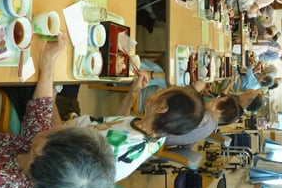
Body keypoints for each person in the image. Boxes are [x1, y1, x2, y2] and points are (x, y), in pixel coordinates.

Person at [0, 34, 116, 188]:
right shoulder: (45, 170)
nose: (57, 125)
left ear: (41, 149)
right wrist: (48, 60)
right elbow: (40, 112)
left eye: (59, 130)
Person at [65, 69, 205, 182]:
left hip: (59, 144)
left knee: (66, 75)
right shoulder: (157, 133)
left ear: (162, 108)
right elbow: (119, 124)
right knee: (74, 74)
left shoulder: (118, 145)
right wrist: (133, 91)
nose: (159, 89)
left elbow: (56, 140)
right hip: (75, 127)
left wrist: (53, 97)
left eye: (164, 91)